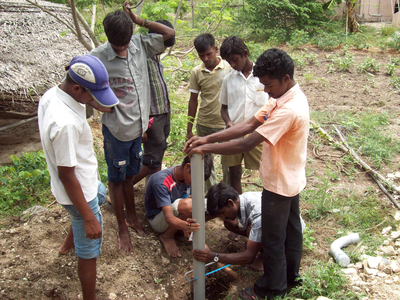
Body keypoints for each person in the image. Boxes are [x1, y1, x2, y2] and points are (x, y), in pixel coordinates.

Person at [185, 48, 309, 300]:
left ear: (285, 78)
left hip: (279, 184)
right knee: (292, 231)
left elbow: (246, 142)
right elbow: (247, 125)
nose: (265, 90)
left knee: (274, 240)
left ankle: (270, 290)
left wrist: (206, 147)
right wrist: (207, 137)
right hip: (291, 179)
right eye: (262, 85)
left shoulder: (289, 110)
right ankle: (290, 278)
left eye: (269, 84)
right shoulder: (279, 99)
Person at [89, 2, 175, 255]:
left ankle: (132, 217)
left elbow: (168, 35)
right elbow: (75, 81)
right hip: (116, 131)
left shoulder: (139, 44)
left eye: (125, 42)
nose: (122, 48)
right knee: (116, 180)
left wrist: (139, 21)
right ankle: (121, 227)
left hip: (137, 130)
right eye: (117, 45)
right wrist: (96, 104)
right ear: (108, 39)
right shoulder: (98, 57)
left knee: (129, 177)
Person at [38, 55, 119, 300]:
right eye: (91, 95)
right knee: (89, 251)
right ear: (77, 88)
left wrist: (98, 102)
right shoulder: (66, 124)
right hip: (78, 192)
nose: (94, 101)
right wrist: (88, 218)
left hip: (85, 182)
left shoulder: (53, 95)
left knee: (101, 191)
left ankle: (66, 244)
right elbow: (67, 175)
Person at [193, 183, 306, 271]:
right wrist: (189, 223)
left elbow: (248, 257)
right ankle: (257, 245)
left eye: (222, 212)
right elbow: (204, 208)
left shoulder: (258, 215)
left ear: (231, 203)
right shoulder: (242, 199)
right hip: (273, 227)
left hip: (288, 237)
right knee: (230, 223)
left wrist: (213, 256)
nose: (222, 217)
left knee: (252, 229)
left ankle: (265, 257)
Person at [219, 36, 268, 194]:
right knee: (234, 173)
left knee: (265, 171)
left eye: (234, 60)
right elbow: (224, 108)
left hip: (258, 134)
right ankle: (237, 207)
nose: (232, 65)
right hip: (234, 134)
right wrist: (228, 122)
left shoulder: (262, 78)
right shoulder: (228, 80)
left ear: (245, 53)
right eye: (229, 62)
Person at [186, 33, 231, 191]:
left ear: (216, 49)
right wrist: (189, 128)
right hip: (204, 123)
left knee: (228, 164)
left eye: (208, 54)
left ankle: (227, 195)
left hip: (226, 125)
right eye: (201, 55)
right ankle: (211, 196)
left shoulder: (228, 67)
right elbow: (193, 100)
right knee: (206, 164)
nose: (205, 59)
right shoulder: (197, 72)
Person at [132, 20, 175, 186]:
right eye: (162, 45)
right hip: (152, 115)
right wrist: (142, 124)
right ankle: (119, 193)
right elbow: (136, 92)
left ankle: (154, 189)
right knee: (151, 161)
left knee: (158, 154)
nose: (163, 50)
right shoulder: (142, 58)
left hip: (162, 111)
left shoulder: (156, 58)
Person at [144, 154, 213, 258]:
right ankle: (166, 236)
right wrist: (186, 225)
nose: (196, 183)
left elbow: (191, 199)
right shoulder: (161, 181)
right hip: (158, 219)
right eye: (196, 179)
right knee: (189, 206)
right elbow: (169, 217)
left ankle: (179, 227)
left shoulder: (186, 175)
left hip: (174, 210)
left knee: (208, 206)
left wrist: (186, 222)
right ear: (187, 167)